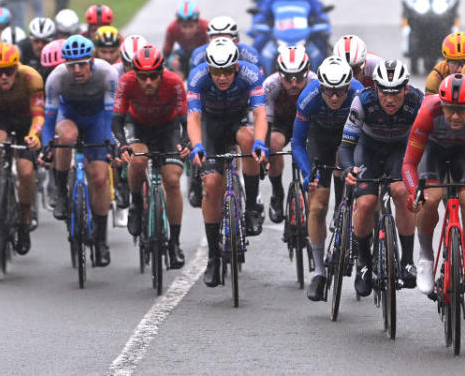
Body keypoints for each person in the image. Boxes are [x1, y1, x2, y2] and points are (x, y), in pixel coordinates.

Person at [402, 73, 465, 316]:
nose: (455, 116)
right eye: (450, 110)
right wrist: (415, 192)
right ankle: (426, 257)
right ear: (442, 105)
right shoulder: (427, 113)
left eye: (461, 110)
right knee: (430, 199)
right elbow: (408, 164)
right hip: (433, 152)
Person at [187, 38, 269, 286]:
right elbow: (193, 118)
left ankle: (252, 206)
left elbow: (260, 114)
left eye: (227, 71)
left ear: (236, 66)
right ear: (208, 68)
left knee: (248, 138)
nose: (222, 77)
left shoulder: (250, 73)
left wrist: (260, 142)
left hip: (236, 121)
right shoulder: (197, 76)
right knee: (212, 184)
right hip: (210, 126)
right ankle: (213, 256)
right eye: (216, 71)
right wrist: (197, 146)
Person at [341, 59, 423, 296]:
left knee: (400, 191)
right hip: (368, 150)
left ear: (406, 88)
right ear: (375, 88)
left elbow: (429, 142)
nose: (389, 99)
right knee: (366, 202)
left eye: (396, 92)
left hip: (401, 150)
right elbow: (346, 145)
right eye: (384, 92)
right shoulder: (362, 101)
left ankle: (407, 261)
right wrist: (348, 169)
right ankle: (364, 264)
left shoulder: (417, 101)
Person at [42, 35, 119, 266]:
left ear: (91, 61)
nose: (76, 70)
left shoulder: (107, 74)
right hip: (70, 116)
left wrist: (109, 142)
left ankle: (102, 241)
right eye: (71, 65)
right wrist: (47, 144)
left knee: (99, 178)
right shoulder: (56, 78)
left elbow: (109, 117)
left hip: (97, 120)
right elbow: (49, 121)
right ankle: (61, 192)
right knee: (66, 137)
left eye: (82, 64)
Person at [292, 56, 363, 301]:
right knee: (318, 204)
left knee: (364, 197)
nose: (334, 97)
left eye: (340, 91)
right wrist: (305, 174)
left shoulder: (359, 94)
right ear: (320, 87)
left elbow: (368, 137)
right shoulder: (308, 98)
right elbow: (298, 143)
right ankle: (319, 272)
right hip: (319, 139)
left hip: (350, 139)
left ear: (348, 87)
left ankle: (364, 257)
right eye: (329, 92)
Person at [112, 45, 190, 269]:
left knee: (173, 180)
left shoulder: (173, 82)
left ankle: (174, 243)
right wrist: (122, 145)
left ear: (162, 72)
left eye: (154, 76)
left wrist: (185, 143)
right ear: (134, 74)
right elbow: (117, 120)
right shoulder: (126, 82)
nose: (148, 82)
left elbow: (186, 119)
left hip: (168, 127)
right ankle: (136, 205)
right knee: (137, 160)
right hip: (138, 126)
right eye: (143, 77)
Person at [0, 43, 45, 255]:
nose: (3, 77)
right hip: (3, 118)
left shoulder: (31, 77)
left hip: (27, 121)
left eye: (8, 71)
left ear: (16, 67)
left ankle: (23, 222)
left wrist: (34, 134)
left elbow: (39, 114)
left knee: (25, 171)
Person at [263, 45, 316, 224]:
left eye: (299, 77)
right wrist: (265, 151)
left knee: (312, 151)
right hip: (281, 124)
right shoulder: (270, 85)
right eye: (288, 78)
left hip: (308, 123)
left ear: (307, 72)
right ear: (279, 74)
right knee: (273, 144)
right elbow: (266, 123)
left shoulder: (315, 83)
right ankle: (277, 192)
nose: (294, 84)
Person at [252, 0, 331, 71]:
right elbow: (263, 14)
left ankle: (326, 73)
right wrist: (260, 22)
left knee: (322, 48)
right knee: (258, 47)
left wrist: (322, 21)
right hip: (277, 38)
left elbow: (319, 12)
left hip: (305, 38)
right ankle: (256, 74)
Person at [189, 16, 262, 74]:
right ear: (209, 41)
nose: (220, 43)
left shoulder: (251, 54)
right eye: (216, 40)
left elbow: (260, 81)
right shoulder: (198, 54)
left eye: (225, 39)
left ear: (236, 41)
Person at [162, 0, 209, 77]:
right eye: (184, 26)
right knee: (174, 62)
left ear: (197, 22)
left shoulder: (205, 27)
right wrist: (173, 65)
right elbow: (165, 54)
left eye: (191, 26)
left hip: (203, 54)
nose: (188, 31)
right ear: (178, 24)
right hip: (184, 53)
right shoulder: (172, 28)